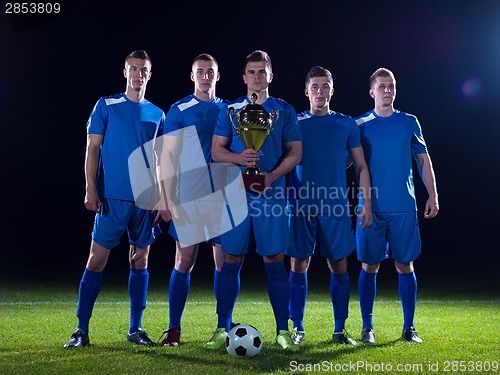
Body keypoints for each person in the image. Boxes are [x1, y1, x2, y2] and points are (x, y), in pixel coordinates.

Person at [63, 50, 165, 348]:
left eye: (143, 69)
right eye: (133, 68)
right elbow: (92, 149)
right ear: (125, 72)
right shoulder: (106, 105)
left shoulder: (157, 114)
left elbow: (159, 161)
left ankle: (136, 329)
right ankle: (81, 330)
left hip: (145, 201)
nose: (138, 74)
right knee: (96, 260)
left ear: (149, 74)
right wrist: (90, 188)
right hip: (111, 199)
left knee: (140, 259)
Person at [206, 50, 302, 351]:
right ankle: (222, 328)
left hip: (271, 195)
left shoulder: (283, 110)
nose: (257, 76)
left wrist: (271, 177)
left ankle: (283, 330)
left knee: (274, 260)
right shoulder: (230, 110)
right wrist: (238, 157)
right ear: (244, 77)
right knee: (230, 259)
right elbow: (216, 152)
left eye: (262, 71)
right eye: (251, 72)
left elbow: (295, 153)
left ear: (270, 76)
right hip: (235, 195)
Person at [286, 66, 373, 346]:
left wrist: (366, 202)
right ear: (307, 91)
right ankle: (297, 328)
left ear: (332, 91)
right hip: (300, 206)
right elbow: (283, 162)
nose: (320, 92)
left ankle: (339, 330)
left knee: (339, 265)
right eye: (315, 87)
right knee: (299, 263)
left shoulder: (346, 124)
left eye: (325, 87)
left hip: (334, 206)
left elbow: (359, 165)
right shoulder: (295, 123)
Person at [355, 67, 439, 344]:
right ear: (372, 92)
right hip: (370, 208)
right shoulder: (361, 124)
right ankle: (367, 328)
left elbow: (424, 161)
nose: (387, 90)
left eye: (391, 86)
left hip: (404, 205)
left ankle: (409, 328)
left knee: (405, 265)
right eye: (382, 86)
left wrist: (433, 195)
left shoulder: (409, 122)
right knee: (369, 266)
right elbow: (346, 161)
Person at [156, 53, 227, 347]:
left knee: (224, 264)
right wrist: (164, 199)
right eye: (200, 72)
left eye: (210, 71)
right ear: (192, 76)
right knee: (184, 260)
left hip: (223, 196)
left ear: (218, 75)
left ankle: (223, 328)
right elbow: (166, 157)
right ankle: (174, 329)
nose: (205, 76)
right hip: (188, 197)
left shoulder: (229, 109)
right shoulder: (179, 109)